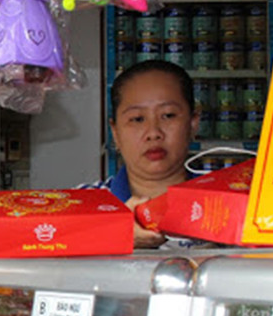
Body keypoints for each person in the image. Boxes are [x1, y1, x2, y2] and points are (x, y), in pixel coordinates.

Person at [79, 60, 199, 249]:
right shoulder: (81, 206)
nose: (153, 133)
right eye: (137, 119)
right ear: (115, 132)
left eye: (168, 115)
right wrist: (113, 237)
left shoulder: (231, 204)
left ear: (193, 124)